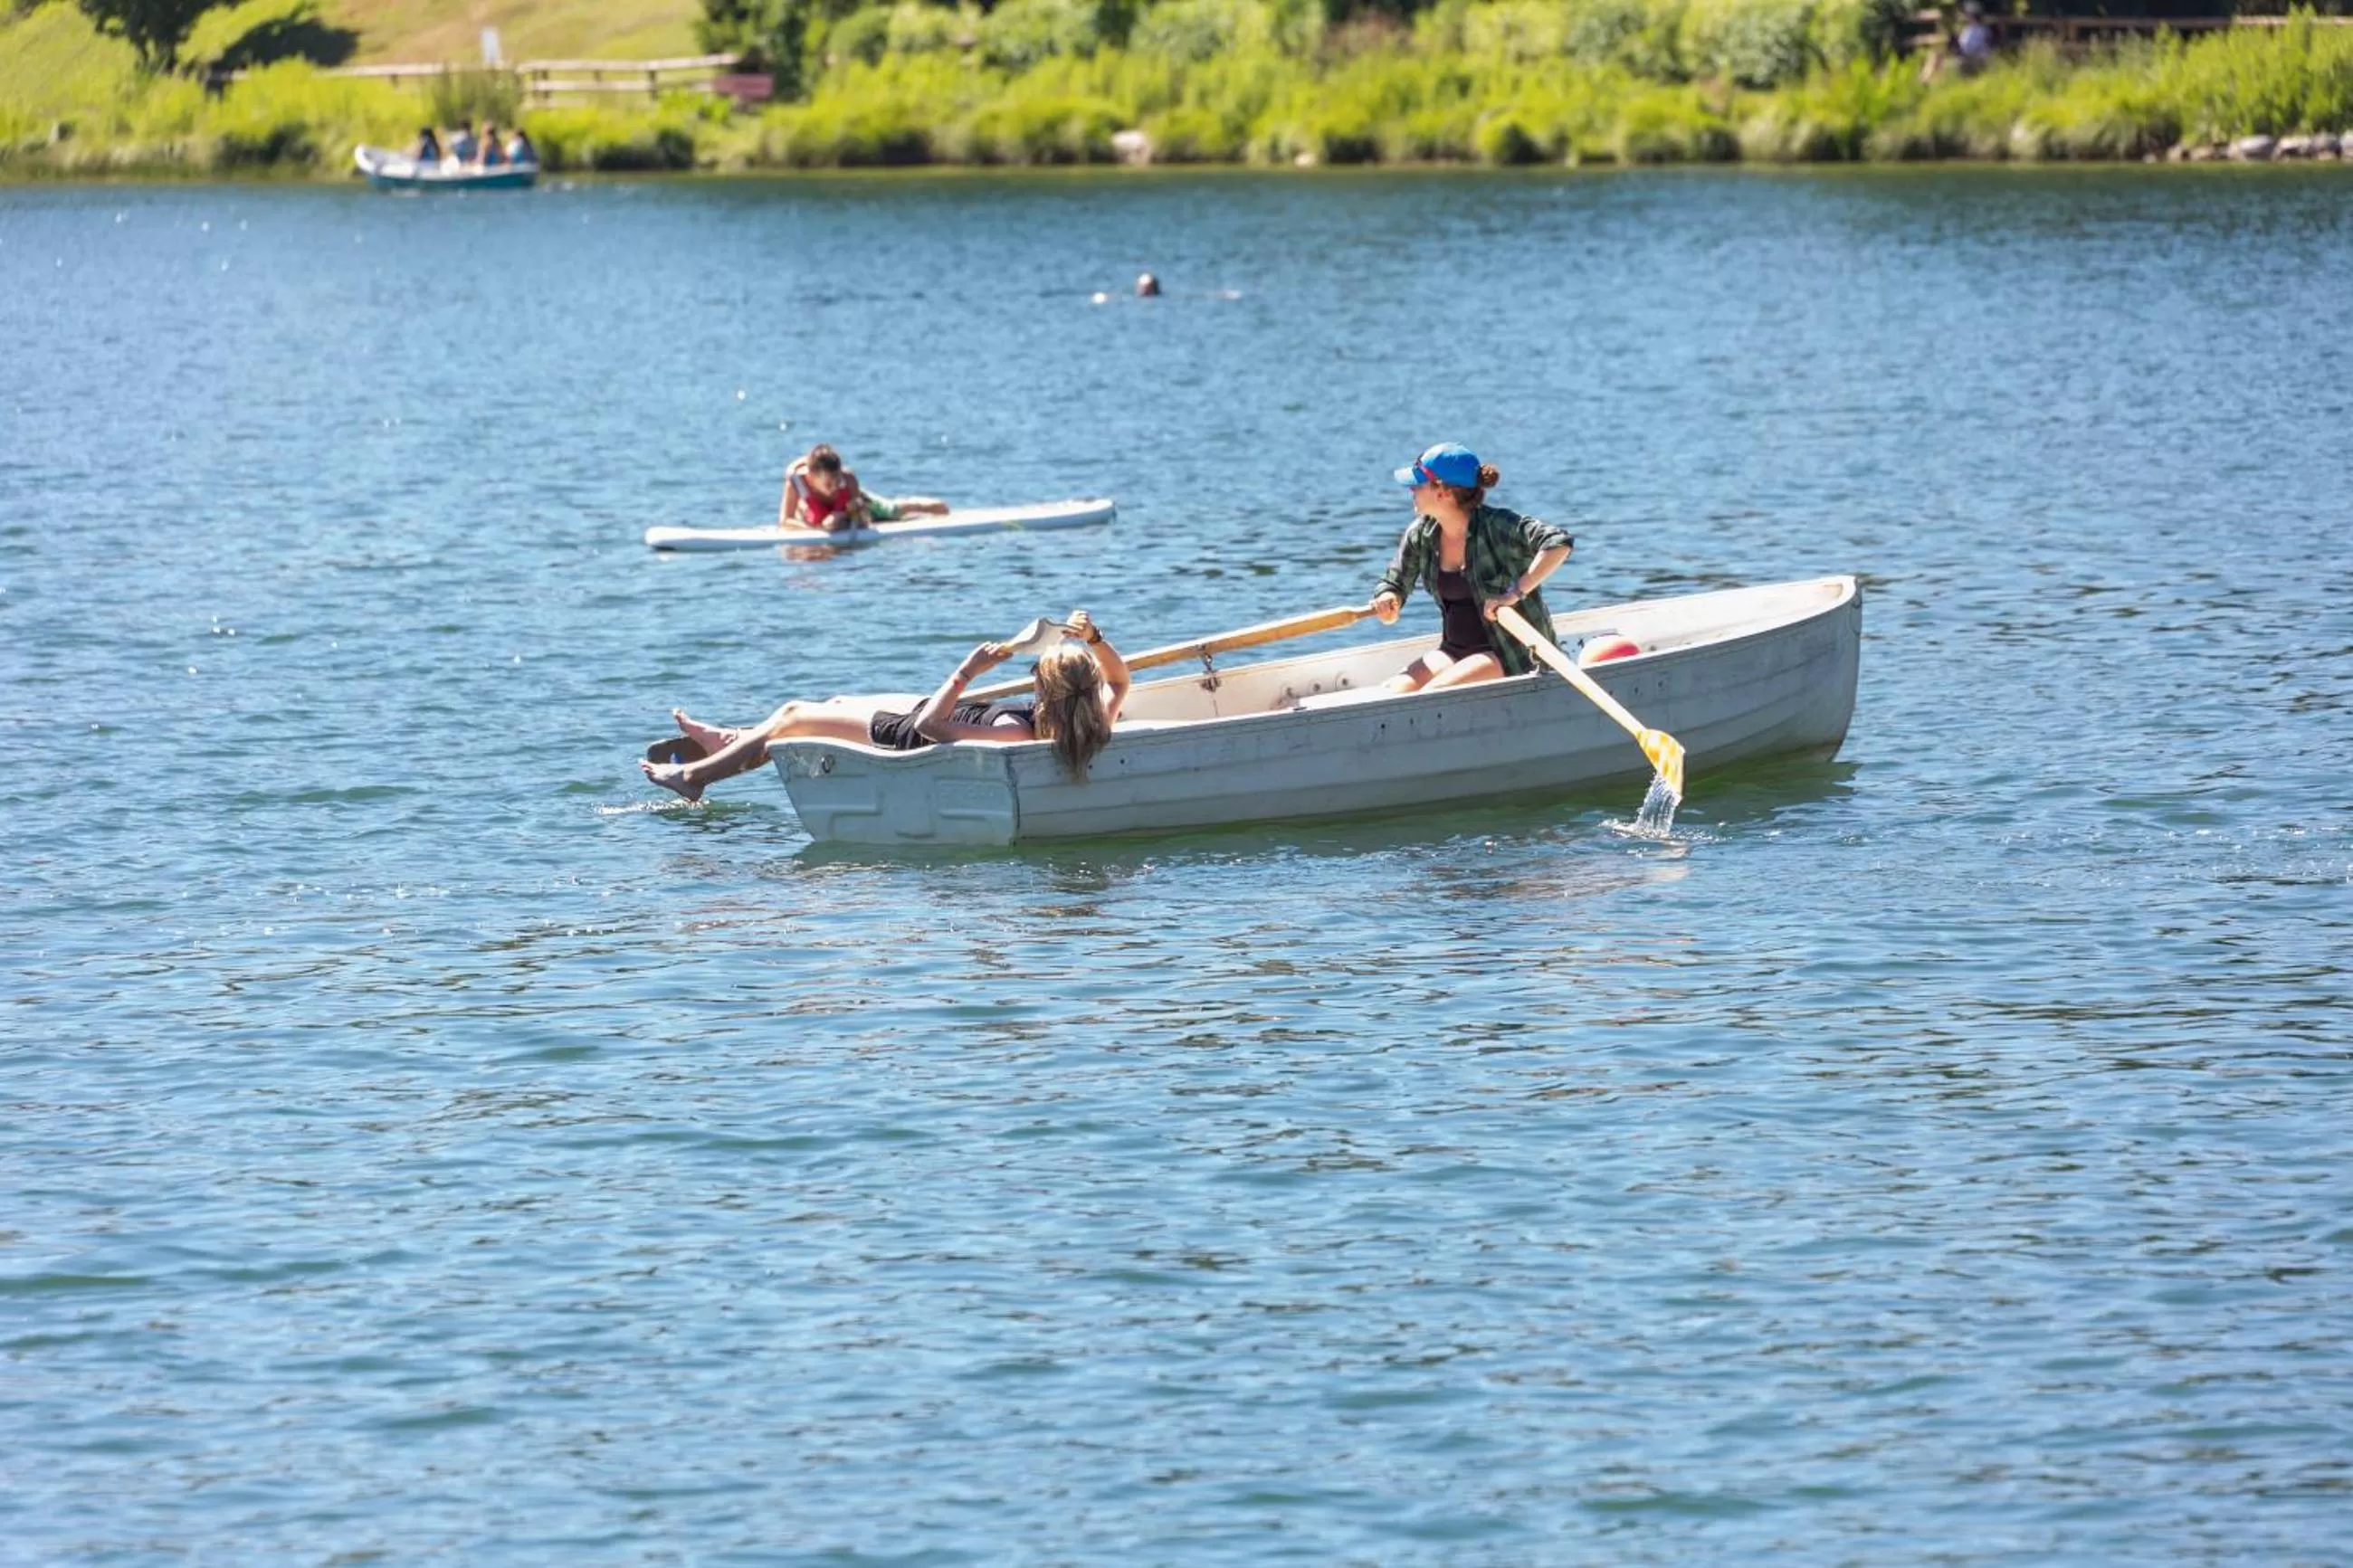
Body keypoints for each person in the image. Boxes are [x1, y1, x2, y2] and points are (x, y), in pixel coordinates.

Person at [642, 611, 1131, 803]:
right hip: (940, 711)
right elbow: (1119, 678)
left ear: (1046, 689)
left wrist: (967, 672)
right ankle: (733, 743)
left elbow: (933, 726)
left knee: (793, 714)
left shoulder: (1019, 735)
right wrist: (1095, 637)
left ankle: (697, 777)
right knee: (832, 703)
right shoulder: (1093, 718)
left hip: (907, 732)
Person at [1368, 442, 1574, 692]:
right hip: (1454, 651)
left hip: (1510, 653)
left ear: (1442, 490)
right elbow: (1395, 583)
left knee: (1432, 696)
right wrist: (1388, 599)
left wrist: (1515, 593)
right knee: (1390, 692)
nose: (1411, 490)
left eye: (1417, 484)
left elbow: (1558, 543)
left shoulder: (1497, 525)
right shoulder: (1421, 534)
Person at [779, 443, 950, 532]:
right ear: (811, 477)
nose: (834, 488)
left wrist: (846, 515)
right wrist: (816, 529)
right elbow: (785, 521)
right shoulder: (797, 482)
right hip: (821, 516)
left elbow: (864, 519)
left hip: (856, 505)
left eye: (836, 482)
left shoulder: (848, 480)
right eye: (828, 485)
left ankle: (919, 504)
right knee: (814, 518)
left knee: (891, 511)